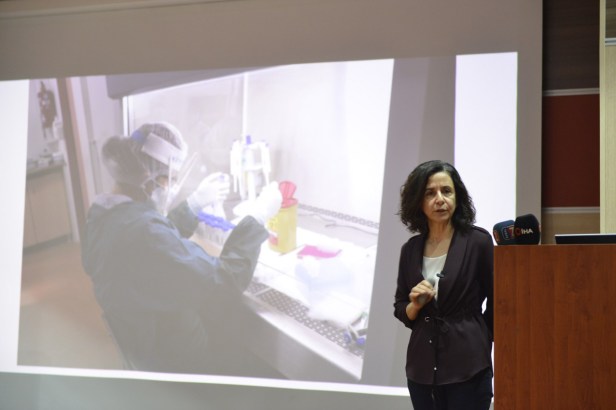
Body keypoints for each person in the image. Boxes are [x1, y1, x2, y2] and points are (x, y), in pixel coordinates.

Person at [81, 122, 282, 374]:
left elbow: (151, 243)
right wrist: (257, 217)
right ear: (147, 176)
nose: (171, 186)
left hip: (142, 344)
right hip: (174, 360)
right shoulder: (144, 232)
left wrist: (194, 204)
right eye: (170, 178)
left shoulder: (103, 215)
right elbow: (226, 280)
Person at [393, 160, 494, 410]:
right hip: (421, 371)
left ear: (457, 197)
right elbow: (401, 307)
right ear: (418, 202)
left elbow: (498, 303)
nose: (440, 199)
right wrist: (415, 306)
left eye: (446, 191)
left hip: (469, 368)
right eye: (430, 193)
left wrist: (481, 338)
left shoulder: (478, 242)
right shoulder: (410, 250)